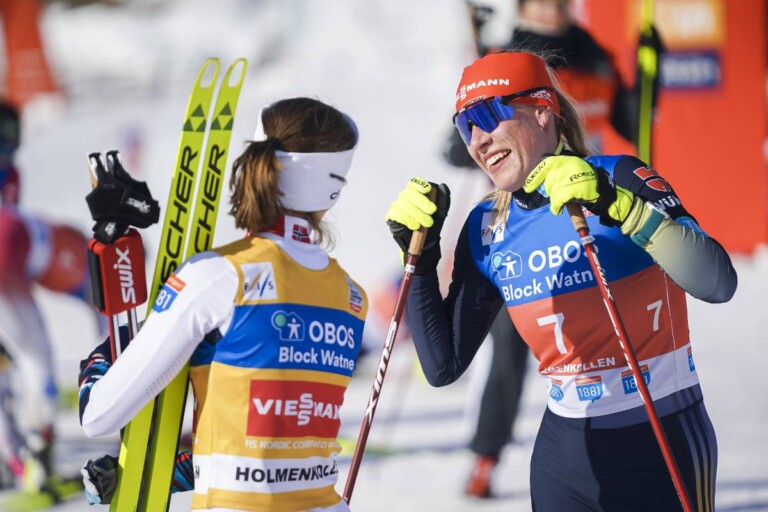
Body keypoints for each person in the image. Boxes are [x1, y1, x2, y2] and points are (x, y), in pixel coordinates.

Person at [385, 51, 736, 510]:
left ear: (542, 110)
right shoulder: (488, 225)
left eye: (487, 115)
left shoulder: (618, 177)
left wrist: (618, 206)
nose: (477, 141)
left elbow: (717, 283)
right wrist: (422, 257)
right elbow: (441, 365)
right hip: (563, 458)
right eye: (464, 125)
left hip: (661, 438)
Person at [78, 97, 368, 512]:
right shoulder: (350, 295)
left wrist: (106, 355)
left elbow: (99, 416)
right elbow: (274, 447)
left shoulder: (218, 275)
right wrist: (169, 470)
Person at [444, 0, 664, 497]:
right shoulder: (506, 60)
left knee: (602, 342)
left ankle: (633, 447)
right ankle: (486, 455)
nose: (551, 9)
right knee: (509, 347)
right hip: (516, 221)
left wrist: (653, 73)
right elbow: (457, 147)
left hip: (586, 211)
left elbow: (633, 123)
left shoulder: (596, 57)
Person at [0, 99, 94, 492]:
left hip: (19, 252)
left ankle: (17, 461)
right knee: (36, 356)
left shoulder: (14, 174)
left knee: (16, 363)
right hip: (14, 253)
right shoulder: (14, 179)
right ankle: (34, 463)